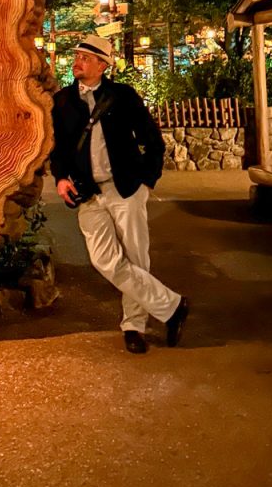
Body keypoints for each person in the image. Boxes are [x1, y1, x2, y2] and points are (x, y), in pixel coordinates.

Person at [49, 34, 189, 354]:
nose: (78, 61)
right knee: (104, 259)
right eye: (77, 56)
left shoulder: (122, 96)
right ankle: (172, 306)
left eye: (86, 57)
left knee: (136, 257)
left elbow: (152, 139)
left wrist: (147, 180)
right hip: (89, 192)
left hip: (125, 188)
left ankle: (134, 326)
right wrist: (60, 178)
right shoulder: (63, 101)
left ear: (102, 65)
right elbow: (60, 150)